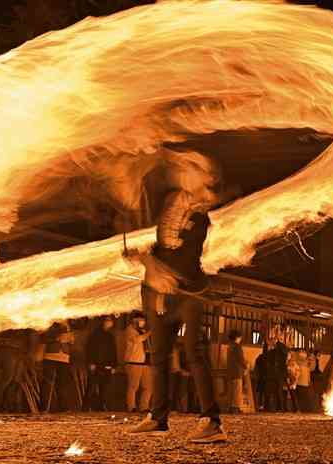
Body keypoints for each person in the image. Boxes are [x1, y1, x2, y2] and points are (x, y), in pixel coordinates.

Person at [126, 154, 227, 443]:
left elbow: (185, 255)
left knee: (194, 352)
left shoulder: (200, 215)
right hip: (156, 292)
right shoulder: (169, 201)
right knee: (158, 356)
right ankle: (157, 417)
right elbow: (159, 243)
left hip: (187, 292)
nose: (180, 171)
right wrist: (143, 257)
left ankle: (211, 421)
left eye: (190, 169)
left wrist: (152, 263)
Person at [41, 322, 77, 412]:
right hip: (51, 356)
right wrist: (56, 338)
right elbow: (43, 338)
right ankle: (45, 407)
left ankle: (63, 407)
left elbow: (71, 343)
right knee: (48, 383)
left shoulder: (69, 326)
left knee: (63, 383)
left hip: (64, 358)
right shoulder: (51, 324)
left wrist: (71, 340)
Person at [86, 316, 117, 411]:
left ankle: (101, 406)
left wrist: (113, 365)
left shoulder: (110, 336)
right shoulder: (95, 335)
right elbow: (90, 349)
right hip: (96, 364)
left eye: (110, 320)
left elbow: (113, 351)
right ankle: (86, 407)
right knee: (92, 386)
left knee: (104, 387)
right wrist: (91, 362)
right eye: (107, 320)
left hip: (106, 364)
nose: (109, 322)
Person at [124, 312, 152, 413]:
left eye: (143, 320)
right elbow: (137, 340)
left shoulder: (142, 331)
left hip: (145, 362)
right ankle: (131, 407)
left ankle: (144, 406)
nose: (142, 322)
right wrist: (149, 333)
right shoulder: (129, 330)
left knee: (148, 386)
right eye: (140, 320)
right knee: (133, 386)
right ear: (134, 320)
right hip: (134, 362)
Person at [264, 334, 288, 412]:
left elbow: (284, 352)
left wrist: (276, 342)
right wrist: (267, 346)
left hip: (279, 373)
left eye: (273, 340)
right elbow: (266, 356)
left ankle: (280, 408)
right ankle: (270, 407)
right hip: (271, 373)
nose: (272, 342)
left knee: (278, 390)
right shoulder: (271, 351)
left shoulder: (281, 349)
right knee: (270, 390)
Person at [226, 329, 247, 414]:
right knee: (237, 390)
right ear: (237, 337)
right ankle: (235, 407)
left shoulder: (229, 346)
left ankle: (230, 407)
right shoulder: (237, 347)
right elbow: (241, 359)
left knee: (231, 390)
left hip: (230, 371)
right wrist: (246, 366)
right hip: (237, 371)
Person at [253, 343, 269, 411]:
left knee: (261, 392)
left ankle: (260, 405)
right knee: (266, 392)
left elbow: (256, 367)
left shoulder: (260, 357)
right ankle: (265, 406)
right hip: (267, 377)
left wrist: (256, 375)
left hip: (261, 376)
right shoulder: (270, 357)